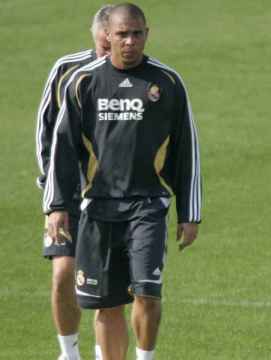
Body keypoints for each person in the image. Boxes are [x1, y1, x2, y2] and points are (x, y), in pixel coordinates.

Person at [43, 3, 202, 359]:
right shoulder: (82, 81)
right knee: (108, 304)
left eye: (137, 33)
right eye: (122, 34)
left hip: (148, 206)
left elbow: (186, 148)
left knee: (147, 292)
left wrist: (189, 212)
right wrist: (55, 206)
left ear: (147, 33)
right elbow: (62, 148)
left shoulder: (168, 82)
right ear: (107, 36)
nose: (130, 41)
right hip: (97, 208)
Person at [35, 5, 114, 360]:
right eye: (103, 46)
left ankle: (103, 352)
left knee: (104, 284)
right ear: (95, 36)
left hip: (114, 196)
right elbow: (46, 131)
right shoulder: (66, 69)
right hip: (67, 193)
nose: (109, 53)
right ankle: (69, 353)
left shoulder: (141, 76)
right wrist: (53, 196)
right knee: (64, 271)